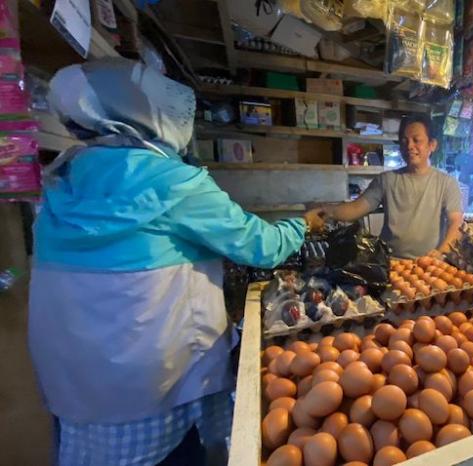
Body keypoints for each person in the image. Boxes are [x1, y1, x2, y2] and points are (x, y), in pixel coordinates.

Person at [28, 58, 324, 466]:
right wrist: (302, 223)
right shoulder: (172, 181)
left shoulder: (65, 177)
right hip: (150, 381)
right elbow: (261, 246)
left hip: (77, 381)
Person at [324, 115, 464, 259]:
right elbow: (355, 209)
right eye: (404, 141)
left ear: (432, 145)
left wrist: (441, 253)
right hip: (391, 262)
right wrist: (325, 211)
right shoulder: (386, 180)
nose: (409, 146)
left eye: (416, 140)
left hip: (429, 266)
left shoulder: (447, 183)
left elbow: (456, 222)